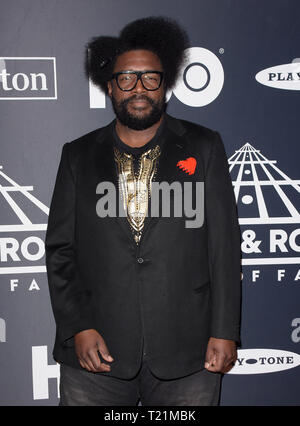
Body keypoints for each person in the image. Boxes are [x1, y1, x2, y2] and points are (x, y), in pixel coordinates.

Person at [45, 16, 241, 406]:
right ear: (110, 87)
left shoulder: (204, 146)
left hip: (189, 351)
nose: (138, 88)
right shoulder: (77, 155)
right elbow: (60, 250)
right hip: (95, 351)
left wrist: (224, 331)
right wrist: (78, 326)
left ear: (165, 86)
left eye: (150, 78)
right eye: (126, 78)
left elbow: (223, 245)